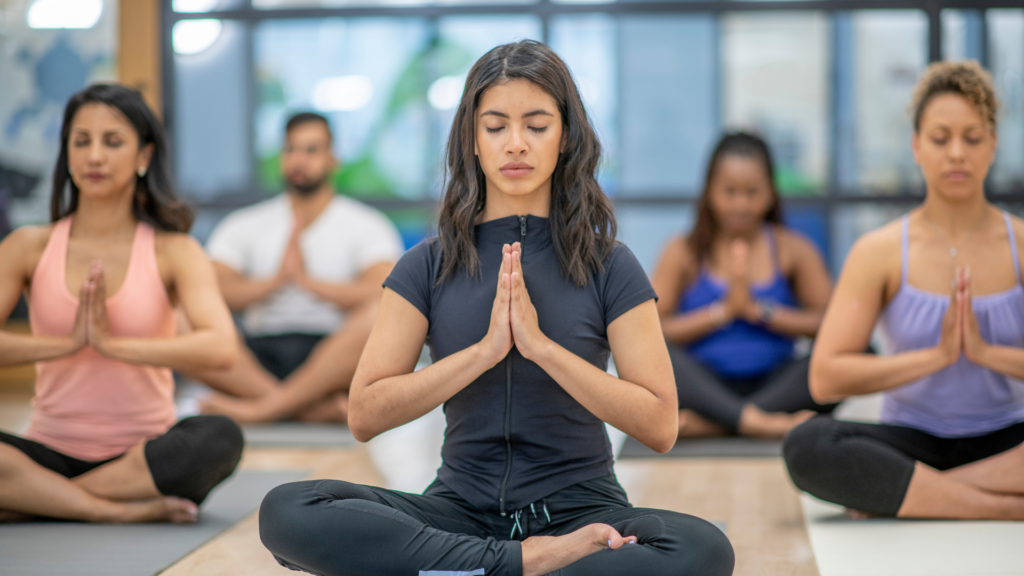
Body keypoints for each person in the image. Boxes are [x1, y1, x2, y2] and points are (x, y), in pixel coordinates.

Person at [258, 41, 734, 576]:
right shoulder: (427, 264)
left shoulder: (610, 264)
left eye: (536, 125)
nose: (516, 144)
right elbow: (365, 413)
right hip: (458, 509)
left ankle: (471, 570)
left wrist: (542, 349)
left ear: (565, 138)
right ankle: (520, 564)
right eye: (495, 126)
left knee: (703, 548)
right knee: (289, 509)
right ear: (473, 140)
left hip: (583, 512)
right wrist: (482, 353)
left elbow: (660, 424)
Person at [784, 60, 1024, 520]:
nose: (956, 152)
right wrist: (935, 358)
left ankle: (919, 496)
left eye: (972, 138)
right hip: (912, 444)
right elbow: (825, 376)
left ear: (993, 145)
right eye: (940, 138)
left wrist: (984, 352)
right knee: (806, 444)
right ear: (916, 146)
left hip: (1005, 441)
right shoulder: (880, 251)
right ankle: (998, 506)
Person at [0, 84, 243, 523]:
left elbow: (221, 347)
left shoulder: (175, 251)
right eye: (81, 141)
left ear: (143, 157)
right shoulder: (27, 247)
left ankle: (39, 501)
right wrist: (66, 343)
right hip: (47, 451)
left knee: (220, 437)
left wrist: (115, 346)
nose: (95, 156)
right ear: (67, 154)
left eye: (112, 142)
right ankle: (107, 510)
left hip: (144, 460)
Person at [191, 112, 404, 424]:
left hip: (334, 356)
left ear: (333, 158)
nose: (300, 160)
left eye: (312, 150)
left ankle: (262, 408)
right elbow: (211, 290)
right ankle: (305, 408)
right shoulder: (244, 223)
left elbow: (384, 292)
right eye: (291, 150)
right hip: (256, 356)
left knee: (381, 312)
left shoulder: (367, 224)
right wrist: (275, 281)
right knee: (183, 316)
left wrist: (309, 282)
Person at [651, 132, 835, 439]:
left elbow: (831, 323)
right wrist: (723, 312)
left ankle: (719, 422)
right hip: (703, 383)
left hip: (776, 382)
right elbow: (653, 330)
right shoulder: (682, 251)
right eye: (730, 192)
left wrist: (760, 312)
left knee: (859, 350)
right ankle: (758, 422)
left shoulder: (794, 249)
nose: (741, 204)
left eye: (752, 192)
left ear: (771, 194)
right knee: (641, 352)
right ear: (710, 192)